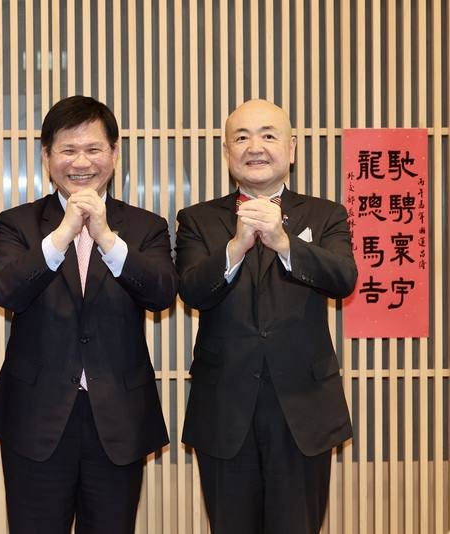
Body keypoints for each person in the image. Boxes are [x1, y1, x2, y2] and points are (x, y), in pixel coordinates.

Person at [0, 95, 176, 534]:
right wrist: (63, 233)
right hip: (36, 416)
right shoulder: (18, 223)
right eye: (68, 150)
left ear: (114, 153)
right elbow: (6, 291)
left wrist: (106, 237)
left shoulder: (146, 226)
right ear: (47, 156)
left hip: (118, 418)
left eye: (93, 149)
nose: (81, 162)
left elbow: (161, 293)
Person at [175, 99, 357, 534]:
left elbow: (343, 278)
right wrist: (236, 247)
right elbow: (192, 290)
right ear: (226, 152)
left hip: (304, 408)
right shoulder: (197, 219)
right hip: (223, 409)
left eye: (268, 135)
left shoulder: (325, 214)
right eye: (241, 137)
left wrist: (284, 241)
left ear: (291, 148)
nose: (254, 147)